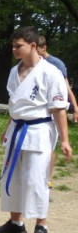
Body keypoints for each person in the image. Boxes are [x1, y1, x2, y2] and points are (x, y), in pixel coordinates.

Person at [0, 27, 72, 233]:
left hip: (39, 130)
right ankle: (15, 222)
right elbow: (15, 104)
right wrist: (8, 127)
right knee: (13, 176)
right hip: (17, 127)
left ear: (33, 45)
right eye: (13, 46)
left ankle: (41, 226)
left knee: (36, 179)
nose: (14, 50)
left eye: (19, 46)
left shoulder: (50, 72)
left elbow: (58, 108)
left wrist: (65, 140)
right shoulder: (14, 71)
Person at [37, 35, 77, 186]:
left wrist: (75, 106)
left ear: (44, 48)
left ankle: (48, 178)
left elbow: (66, 88)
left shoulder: (55, 64)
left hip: (54, 109)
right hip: (39, 112)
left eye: (38, 50)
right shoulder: (29, 64)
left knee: (50, 145)